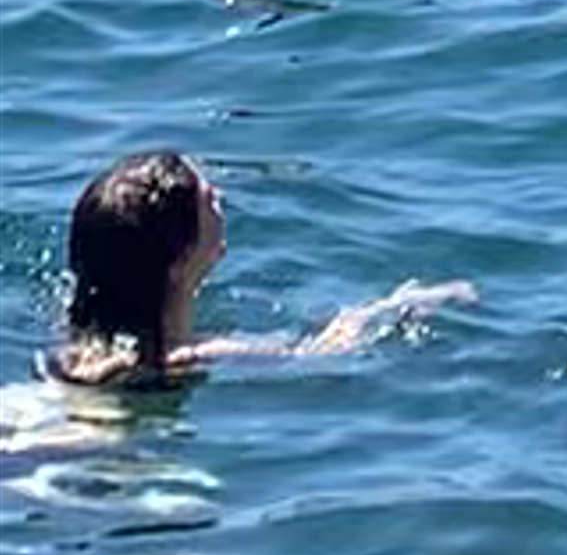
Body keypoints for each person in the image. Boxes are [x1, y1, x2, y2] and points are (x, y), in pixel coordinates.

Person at [48, 144, 469, 391]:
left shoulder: (72, 340)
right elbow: (319, 355)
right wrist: (395, 306)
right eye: (209, 200)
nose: (221, 202)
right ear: (179, 260)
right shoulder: (189, 356)